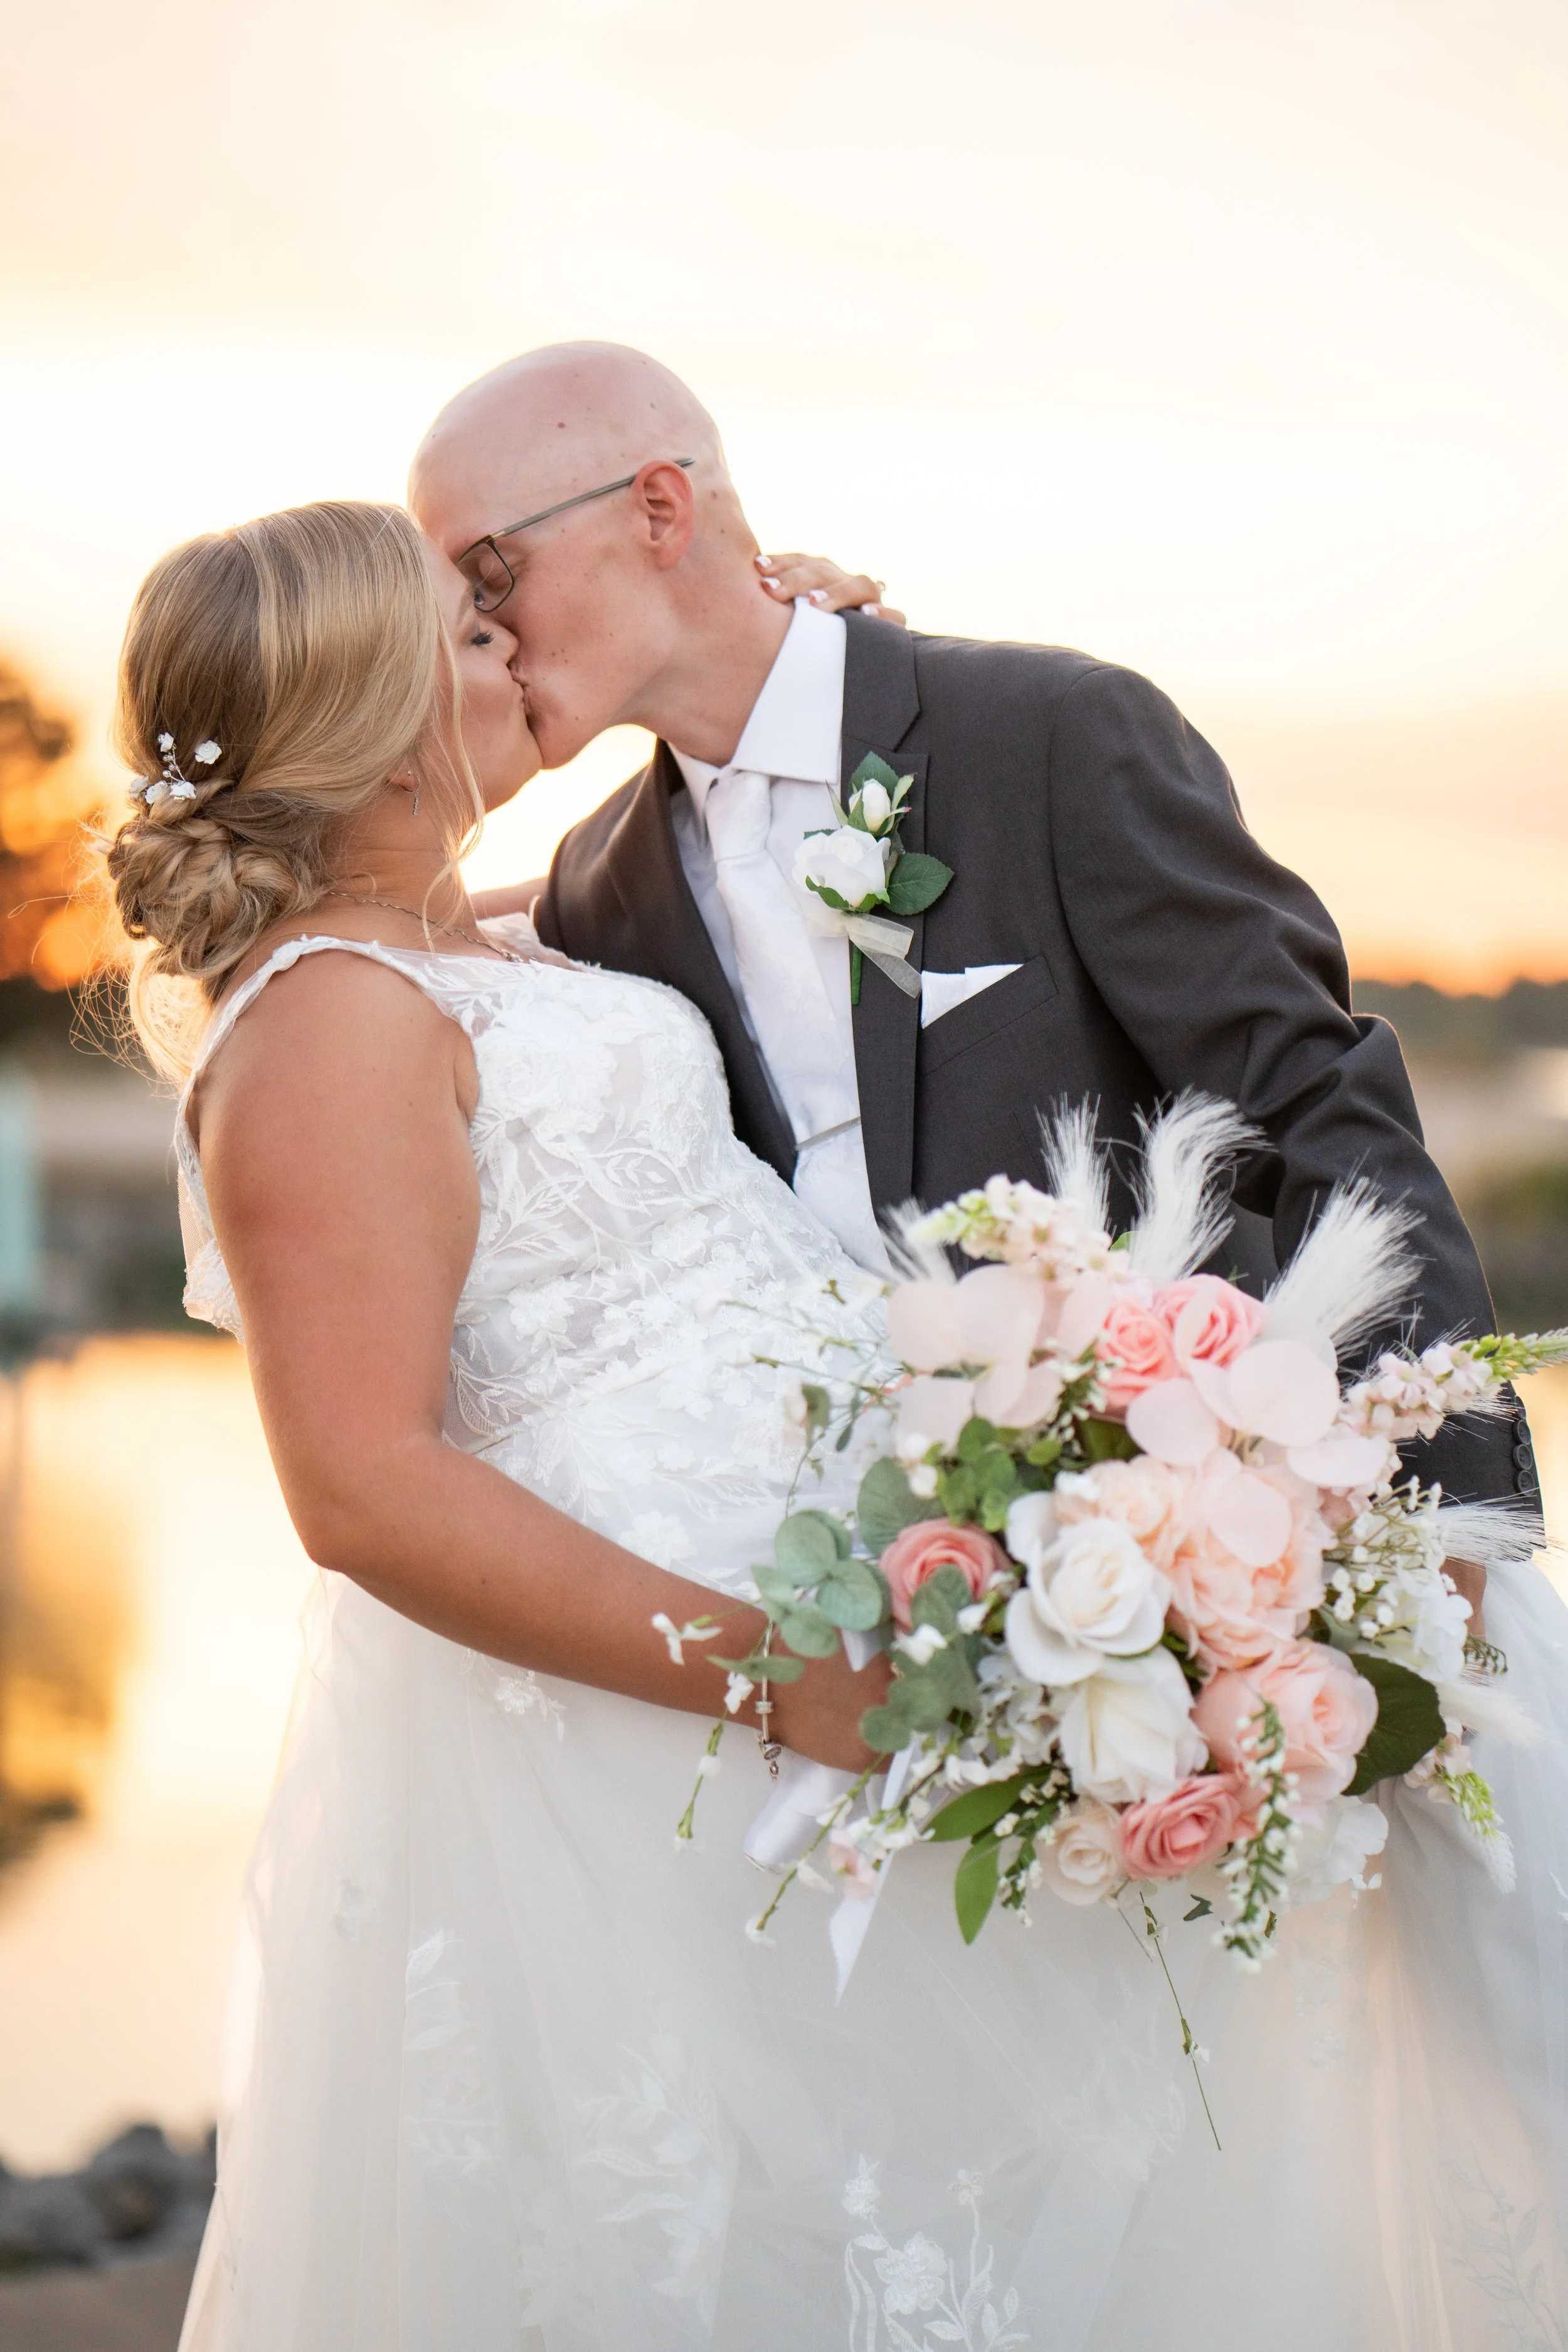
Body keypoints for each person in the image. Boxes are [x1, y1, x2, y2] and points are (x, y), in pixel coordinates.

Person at [105, 493, 1567, 2352]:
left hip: (851, 1636)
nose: (509, 647)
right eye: (466, 631)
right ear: (381, 712)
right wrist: (768, 1677)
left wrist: (755, 646)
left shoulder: (464, 938)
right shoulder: (320, 1027)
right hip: (657, 1716)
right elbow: (361, 1486)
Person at [410, 343, 1540, 1643]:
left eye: (489, 571)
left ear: (658, 509)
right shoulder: (598, 888)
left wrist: (1441, 1530)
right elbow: (398, 935)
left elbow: (1314, 1096)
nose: (479, 632)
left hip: (1234, 1567)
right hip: (911, 1635)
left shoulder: (1048, 734)